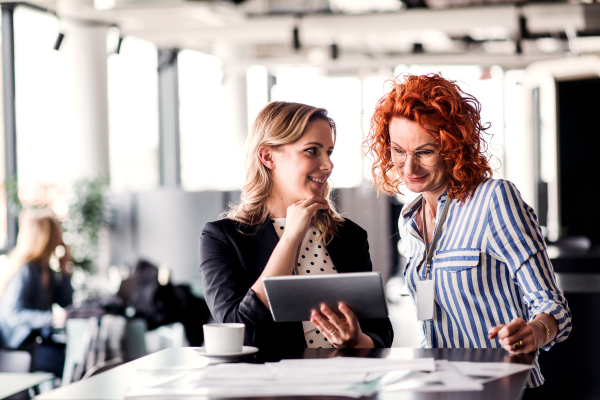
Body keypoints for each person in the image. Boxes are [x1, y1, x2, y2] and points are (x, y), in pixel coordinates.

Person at [365, 73, 571, 392]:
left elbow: (552, 304)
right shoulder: (410, 218)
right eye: (398, 151)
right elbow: (427, 315)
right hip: (438, 387)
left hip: (503, 388)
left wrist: (533, 331)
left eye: (425, 152)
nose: (409, 168)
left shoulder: (494, 200)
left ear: (453, 146)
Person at [200, 101, 393, 349]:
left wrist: (357, 340)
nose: (328, 164)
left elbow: (380, 332)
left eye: (329, 152)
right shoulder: (223, 238)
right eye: (312, 150)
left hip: (344, 381)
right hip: (273, 385)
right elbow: (241, 333)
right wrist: (290, 237)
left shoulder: (349, 235)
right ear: (267, 156)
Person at [0, 208, 73, 377]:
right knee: (59, 362)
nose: (60, 237)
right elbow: (13, 314)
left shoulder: (45, 269)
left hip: (35, 341)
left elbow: (66, 302)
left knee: (68, 358)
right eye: (56, 232)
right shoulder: (26, 271)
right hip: (16, 348)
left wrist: (65, 271)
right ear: (45, 237)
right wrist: (50, 318)